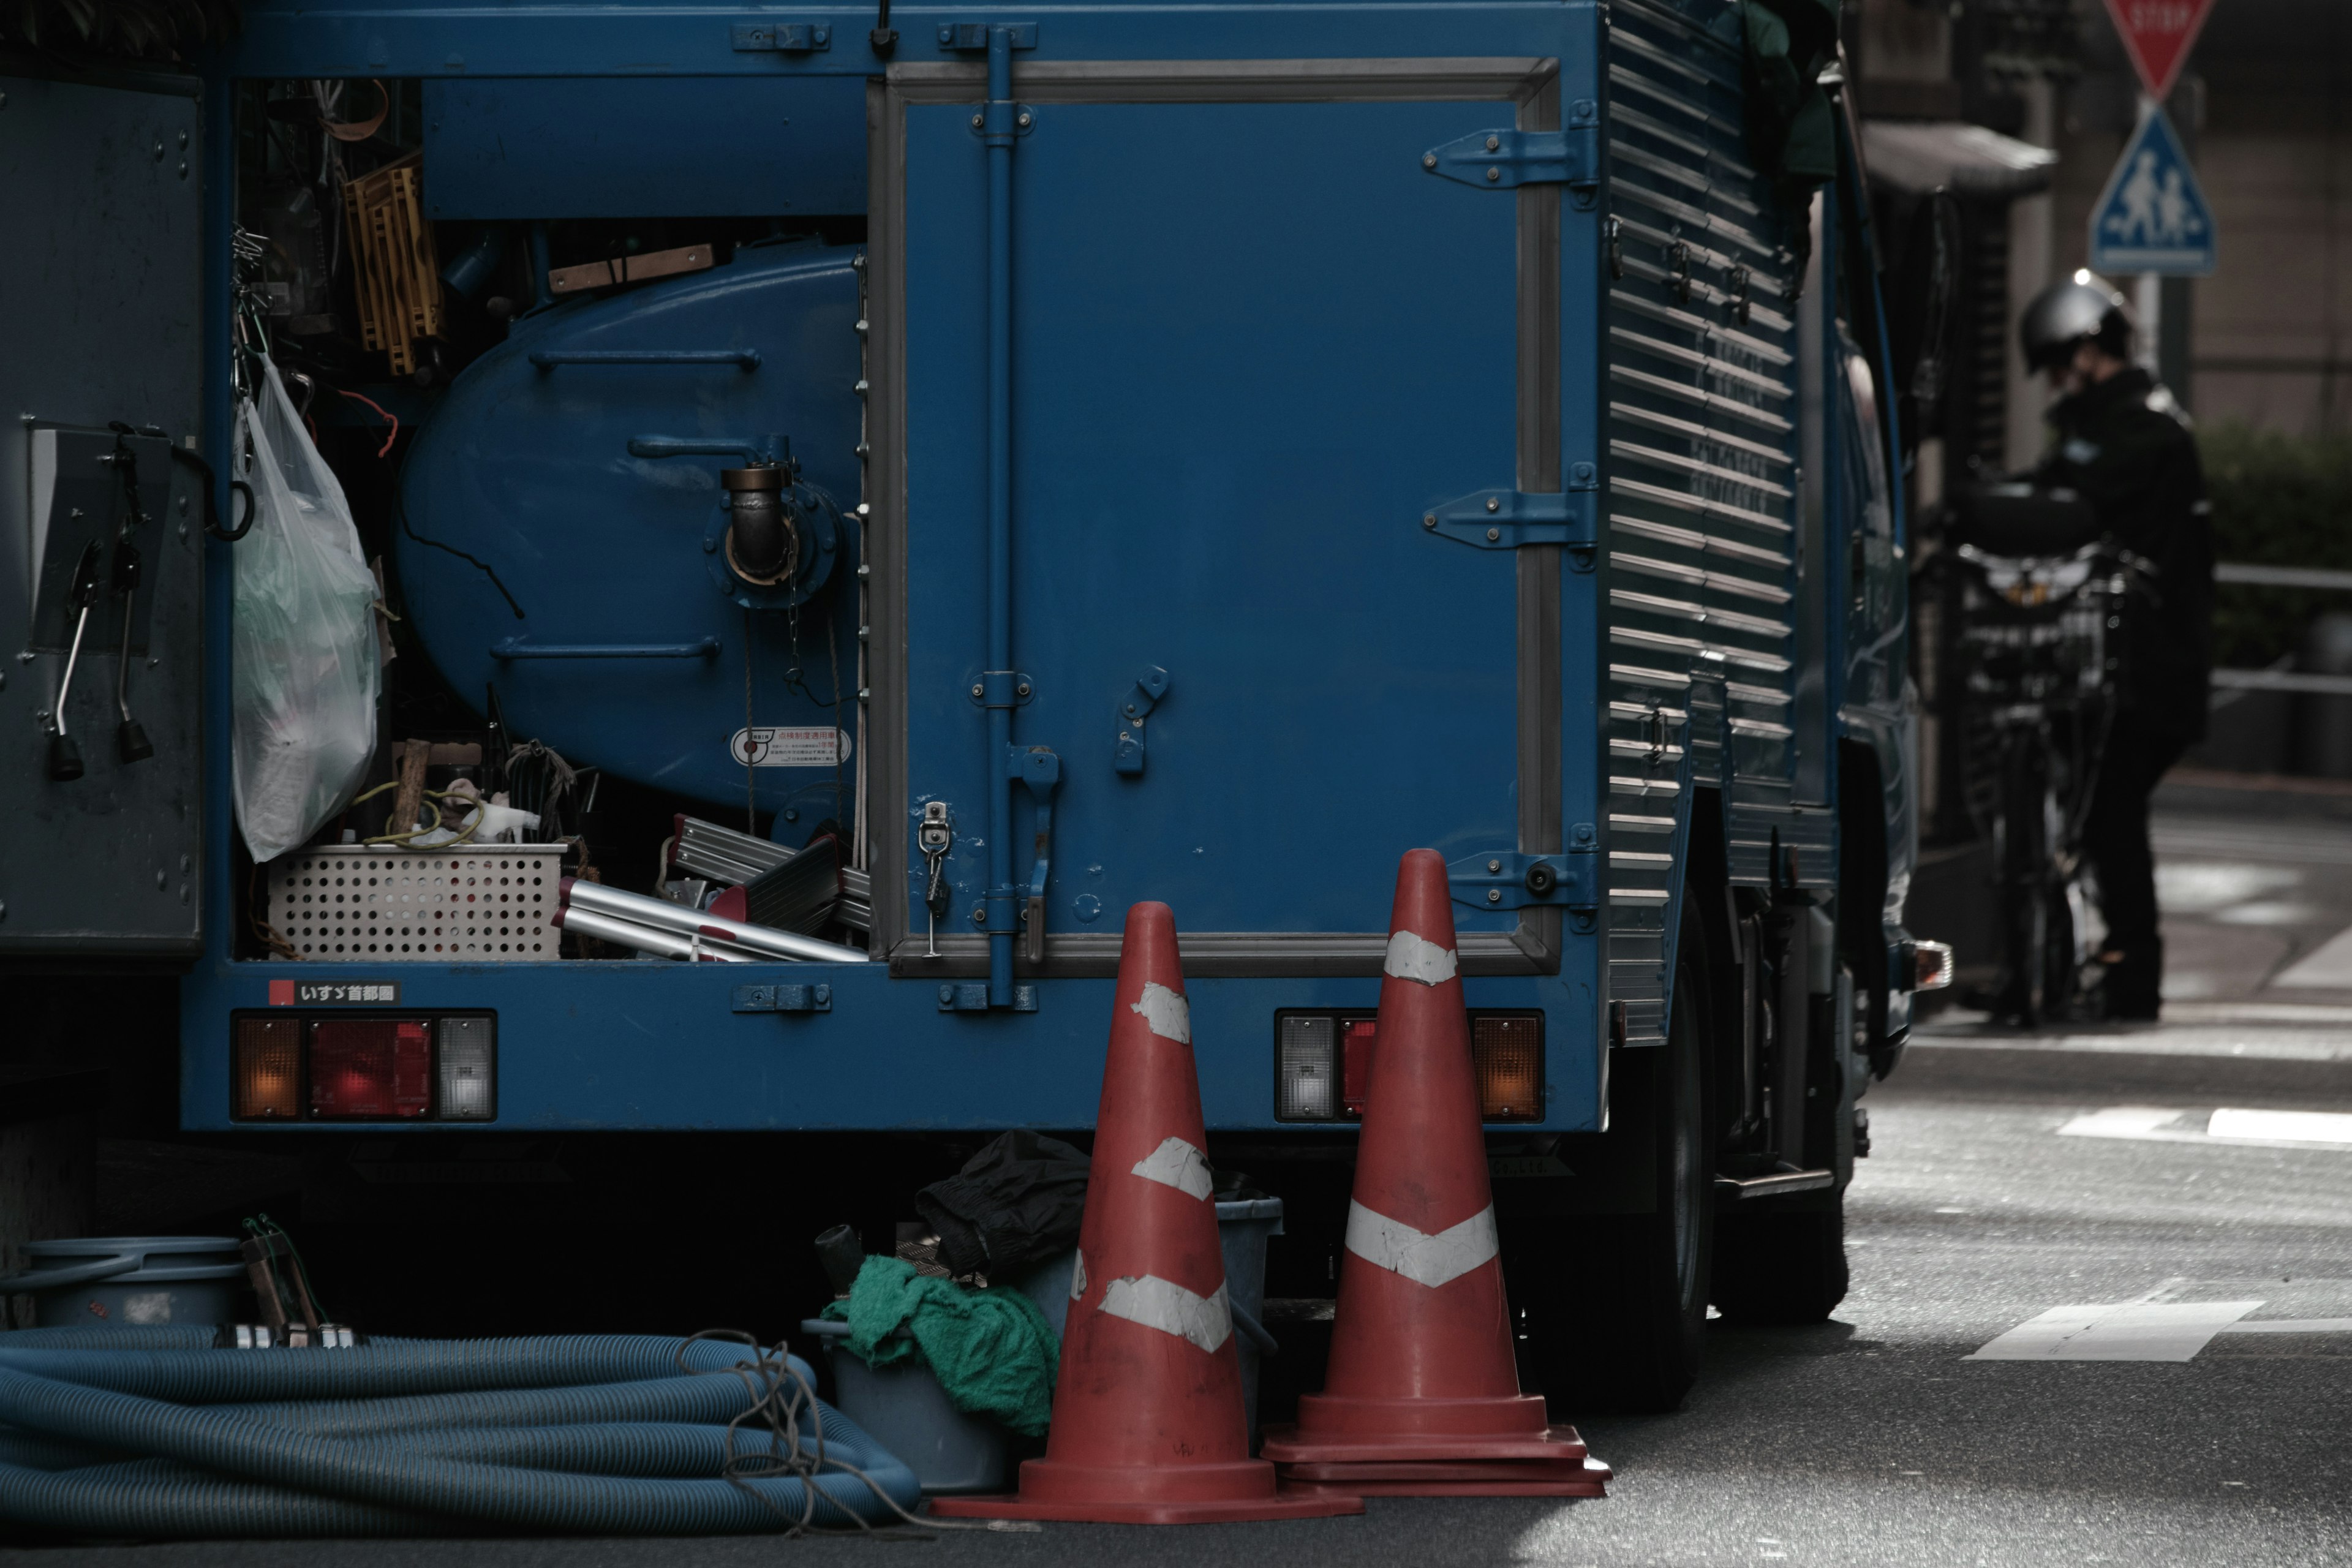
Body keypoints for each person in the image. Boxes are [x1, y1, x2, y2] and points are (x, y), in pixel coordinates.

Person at [2019, 271, 2214, 1020]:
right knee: (2103, 811)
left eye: (2064, 365)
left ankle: (2132, 974)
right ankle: (2106, 961)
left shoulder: (2141, 427)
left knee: (2111, 813)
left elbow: (2085, 484)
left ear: (2088, 349)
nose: (2060, 385)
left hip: (2147, 671)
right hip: (2144, 665)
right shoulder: (2119, 421)